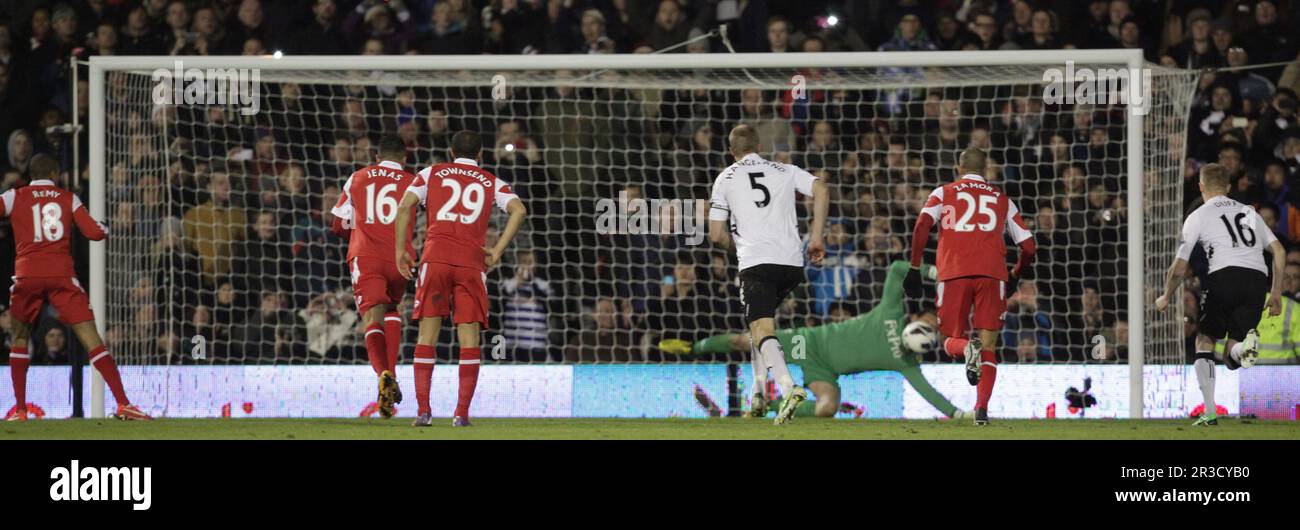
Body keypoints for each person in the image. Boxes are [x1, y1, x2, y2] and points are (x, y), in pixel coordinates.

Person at [663, 261, 970, 420]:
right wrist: (935, 272)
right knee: (749, 341)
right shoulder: (891, 312)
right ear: (915, 318)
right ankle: (695, 347)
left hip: (825, 373)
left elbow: (928, 392)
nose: (928, 328)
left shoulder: (906, 362)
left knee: (827, 407)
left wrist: (957, 413)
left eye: (932, 329)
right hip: (811, 342)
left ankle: (766, 405)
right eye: (927, 322)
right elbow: (896, 269)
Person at [2, 154, 150, 421]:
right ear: (56, 174)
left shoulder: (14, 196)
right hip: (61, 276)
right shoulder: (67, 197)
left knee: (20, 337)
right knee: (91, 339)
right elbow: (94, 233)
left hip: (27, 276)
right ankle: (123, 404)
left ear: (30, 176)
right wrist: (105, 228)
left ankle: (21, 410)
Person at [394, 131, 526, 427]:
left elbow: (404, 207)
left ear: (451, 151)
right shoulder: (492, 181)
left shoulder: (431, 172)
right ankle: (461, 414)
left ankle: (424, 412)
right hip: (471, 262)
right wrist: (497, 250)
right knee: (469, 339)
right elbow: (519, 210)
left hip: (435, 258)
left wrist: (400, 251)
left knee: (427, 335)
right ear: (480, 155)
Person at [707, 123, 829, 425]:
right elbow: (821, 189)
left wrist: (738, 249)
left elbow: (715, 235)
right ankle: (759, 394)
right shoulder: (785, 169)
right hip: (791, 265)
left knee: (761, 329)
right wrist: (816, 237)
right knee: (759, 327)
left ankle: (788, 389)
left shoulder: (724, 178)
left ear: (731, 151)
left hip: (756, 263)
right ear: (758, 145)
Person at [905, 147, 1035, 426]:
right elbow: (1029, 246)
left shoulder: (943, 192)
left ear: (958, 168)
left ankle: (966, 349)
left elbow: (921, 226)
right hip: (993, 275)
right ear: (986, 170)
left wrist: (914, 268)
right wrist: (1015, 274)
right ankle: (981, 411)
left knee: (950, 339)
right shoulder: (1002, 199)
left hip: (953, 273)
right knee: (989, 344)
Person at [1155, 163, 1284, 426]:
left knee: (1204, 340)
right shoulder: (1250, 213)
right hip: (1257, 281)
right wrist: (1276, 292)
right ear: (1228, 187)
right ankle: (1243, 349)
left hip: (1223, 277)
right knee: (1230, 354)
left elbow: (1180, 267)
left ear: (1201, 187)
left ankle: (1210, 411)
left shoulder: (1198, 215)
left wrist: (1166, 295)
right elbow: (1279, 251)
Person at [328, 135, 417, 419]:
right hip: (401, 256)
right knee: (392, 309)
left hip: (366, 256)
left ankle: (384, 375)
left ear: (377, 158)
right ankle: (390, 378)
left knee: (371, 317)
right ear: (404, 159)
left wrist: (361, 229)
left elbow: (339, 224)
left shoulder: (358, 176)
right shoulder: (414, 181)